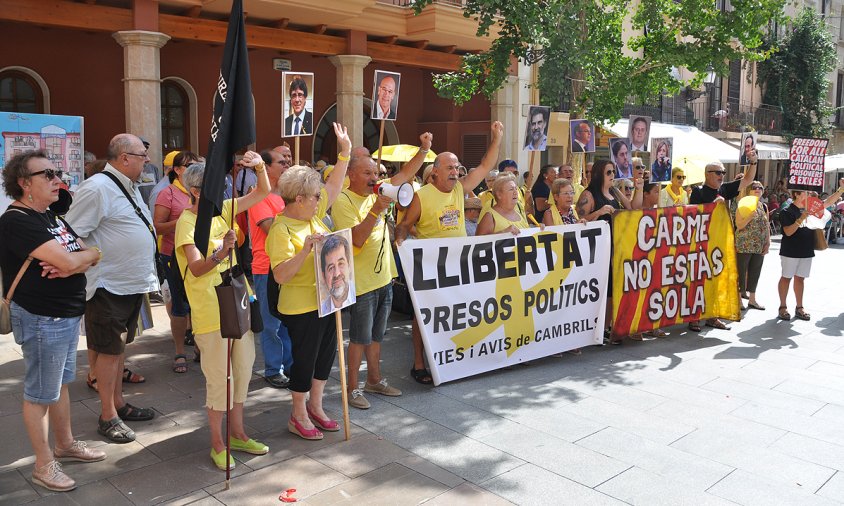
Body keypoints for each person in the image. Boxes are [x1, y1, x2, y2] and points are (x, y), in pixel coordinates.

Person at [0, 151, 105, 492]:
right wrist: (77, 260)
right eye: (47, 174)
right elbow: (70, 258)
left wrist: (83, 258)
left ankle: (65, 444)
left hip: (64, 314)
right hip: (43, 317)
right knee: (39, 393)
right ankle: (44, 465)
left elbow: (90, 252)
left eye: (56, 171)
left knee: (59, 384)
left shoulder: (50, 217)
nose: (57, 178)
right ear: (24, 183)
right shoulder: (18, 220)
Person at [174, 154, 271, 470]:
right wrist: (222, 252)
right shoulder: (187, 223)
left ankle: (239, 433)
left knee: (243, 369)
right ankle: (218, 443)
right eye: (216, 186)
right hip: (210, 310)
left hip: (237, 302)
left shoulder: (225, 210)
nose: (223, 191)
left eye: (224, 185)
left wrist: (258, 167)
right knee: (219, 378)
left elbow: (262, 193)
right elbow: (197, 268)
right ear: (197, 191)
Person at [64, 134, 159, 444]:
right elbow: (72, 234)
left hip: (130, 283)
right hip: (108, 285)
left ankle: (118, 403)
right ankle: (108, 416)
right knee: (107, 352)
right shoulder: (97, 188)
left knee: (118, 350)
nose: (147, 160)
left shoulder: (126, 185)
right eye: (142, 155)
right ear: (123, 158)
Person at [396, 121, 504, 385]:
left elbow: (485, 167)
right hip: (431, 267)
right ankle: (419, 364)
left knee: (455, 313)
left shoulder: (459, 189)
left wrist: (497, 139)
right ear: (435, 172)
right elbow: (404, 226)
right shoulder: (422, 196)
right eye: (450, 168)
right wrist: (403, 246)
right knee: (423, 316)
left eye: (457, 168)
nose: (455, 172)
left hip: (458, 265)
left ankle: (452, 358)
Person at [333, 133, 430, 409]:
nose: (374, 177)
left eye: (376, 172)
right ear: (351, 174)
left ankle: (374, 380)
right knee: (359, 338)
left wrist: (423, 149)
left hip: (383, 278)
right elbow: (357, 239)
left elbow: (406, 174)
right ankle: (352, 389)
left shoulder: (379, 191)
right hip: (361, 282)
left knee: (377, 335)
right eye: (367, 172)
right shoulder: (343, 201)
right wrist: (376, 210)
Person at [267, 122, 351, 440]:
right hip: (300, 305)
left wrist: (344, 153)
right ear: (299, 198)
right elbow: (280, 274)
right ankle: (298, 413)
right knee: (304, 358)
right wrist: (305, 250)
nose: (321, 200)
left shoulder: (313, 215)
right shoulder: (281, 229)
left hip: (328, 299)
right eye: (314, 196)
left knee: (324, 355)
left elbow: (334, 187)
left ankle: (316, 407)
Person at [687, 153, 757, 332]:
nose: (721, 176)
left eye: (723, 172)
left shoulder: (724, 189)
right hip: (701, 243)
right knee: (699, 281)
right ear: (707, 174)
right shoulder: (698, 192)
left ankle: (712, 316)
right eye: (718, 172)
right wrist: (712, 205)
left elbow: (748, 179)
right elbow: (693, 216)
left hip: (720, 243)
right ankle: (694, 318)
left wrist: (753, 161)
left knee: (716, 280)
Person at [576, 159, 643, 344]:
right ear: (599, 174)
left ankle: (609, 327)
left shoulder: (614, 191)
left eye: (613, 172)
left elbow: (633, 208)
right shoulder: (589, 194)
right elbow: (579, 220)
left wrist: (639, 187)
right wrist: (599, 212)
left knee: (615, 289)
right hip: (598, 248)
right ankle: (600, 327)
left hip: (618, 245)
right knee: (604, 290)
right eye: (608, 172)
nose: (612, 175)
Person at [250, 148, 293, 389]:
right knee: (271, 324)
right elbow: (271, 229)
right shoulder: (258, 195)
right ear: (266, 168)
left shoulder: (287, 195)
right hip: (266, 267)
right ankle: (272, 369)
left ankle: (289, 366)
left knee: (287, 321)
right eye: (281, 162)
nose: (287, 165)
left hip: (288, 266)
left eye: (288, 161)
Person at [153, 151, 200, 374]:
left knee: (199, 304)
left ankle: (200, 347)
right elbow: (157, 227)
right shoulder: (167, 194)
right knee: (180, 307)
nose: (194, 167)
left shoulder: (202, 192)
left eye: (197, 164)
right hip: (173, 256)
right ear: (177, 170)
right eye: (189, 164)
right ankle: (180, 351)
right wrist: (184, 220)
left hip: (200, 254)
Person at [776, 179, 844, 321]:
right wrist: (801, 218)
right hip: (790, 250)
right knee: (786, 278)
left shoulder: (810, 206)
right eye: (806, 192)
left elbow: (828, 202)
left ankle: (799, 307)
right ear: (797, 195)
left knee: (800, 279)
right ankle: (783, 307)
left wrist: (841, 190)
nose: (809, 194)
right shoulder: (787, 211)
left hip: (806, 249)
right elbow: (788, 232)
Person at [732, 181, 770, 312]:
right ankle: (739, 299)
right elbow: (739, 225)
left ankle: (752, 299)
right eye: (754, 188)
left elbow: (767, 225)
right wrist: (748, 217)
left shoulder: (763, 206)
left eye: (760, 187)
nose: (758, 189)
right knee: (741, 272)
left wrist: (768, 242)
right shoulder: (742, 205)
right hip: (744, 244)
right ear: (749, 190)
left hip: (759, 244)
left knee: (755, 271)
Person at [318, 234, 356, 314]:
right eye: (331, 268)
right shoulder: (323, 309)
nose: (337, 274)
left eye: (341, 264)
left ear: (349, 265)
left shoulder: (360, 298)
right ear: (323, 275)